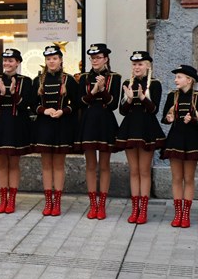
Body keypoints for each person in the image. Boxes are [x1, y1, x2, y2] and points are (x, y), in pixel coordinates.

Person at [0, 48, 34, 213]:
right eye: (5, 60)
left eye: (11, 61)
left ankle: (12, 200)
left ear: (18, 63)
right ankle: (2, 199)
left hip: (17, 125)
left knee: (14, 163)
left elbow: (26, 106)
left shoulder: (26, 81)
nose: (7, 64)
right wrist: (1, 94)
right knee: (1, 164)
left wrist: (13, 93)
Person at [115, 51, 165, 225]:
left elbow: (154, 110)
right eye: (134, 64)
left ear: (148, 65)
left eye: (140, 64)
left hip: (146, 128)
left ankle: (143, 209)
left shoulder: (155, 84)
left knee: (144, 171)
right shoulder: (127, 83)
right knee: (134, 170)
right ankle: (134, 208)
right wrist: (128, 100)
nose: (137, 67)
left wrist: (143, 97)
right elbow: (122, 111)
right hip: (130, 128)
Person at [76, 44, 121, 220]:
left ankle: (102, 204)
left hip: (105, 122)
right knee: (90, 165)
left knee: (104, 165)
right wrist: (94, 90)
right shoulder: (84, 77)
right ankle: (92, 204)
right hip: (88, 121)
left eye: (98, 57)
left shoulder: (114, 78)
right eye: (92, 58)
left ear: (106, 59)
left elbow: (113, 104)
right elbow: (80, 102)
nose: (95, 61)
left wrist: (102, 91)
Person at [32, 45, 78, 216]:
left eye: (54, 58)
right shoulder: (38, 80)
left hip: (62, 126)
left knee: (58, 165)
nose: (51, 61)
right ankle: (48, 201)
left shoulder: (69, 79)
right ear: (45, 61)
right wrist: (44, 110)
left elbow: (77, 104)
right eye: (48, 59)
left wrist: (63, 111)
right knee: (45, 166)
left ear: (60, 60)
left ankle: (57, 202)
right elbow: (32, 104)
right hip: (44, 126)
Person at [161, 65, 198, 228]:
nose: (175, 80)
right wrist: (169, 117)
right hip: (175, 139)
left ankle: (186, 214)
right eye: (176, 77)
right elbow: (164, 118)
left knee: (188, 178)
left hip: (192, 140)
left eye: (179, 77)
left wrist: (192, 120)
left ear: (189, 79)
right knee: (176, 178)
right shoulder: (172, 96)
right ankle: (178, 213)